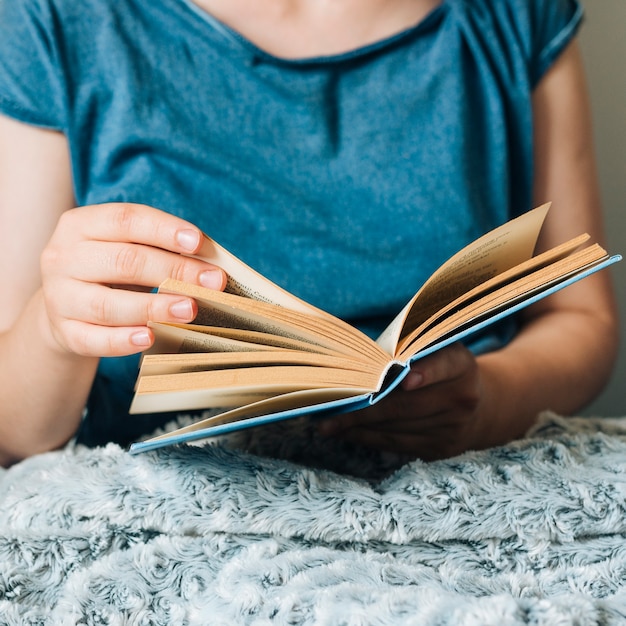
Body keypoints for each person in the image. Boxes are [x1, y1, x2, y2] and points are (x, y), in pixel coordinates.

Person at [0, 0, 618, 467]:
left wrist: (487, 402)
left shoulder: (512, 13)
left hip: (455, 467)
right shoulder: (54, 20)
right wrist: (56, 332)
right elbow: (13, 427)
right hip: (171, 485)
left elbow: (582, 315)